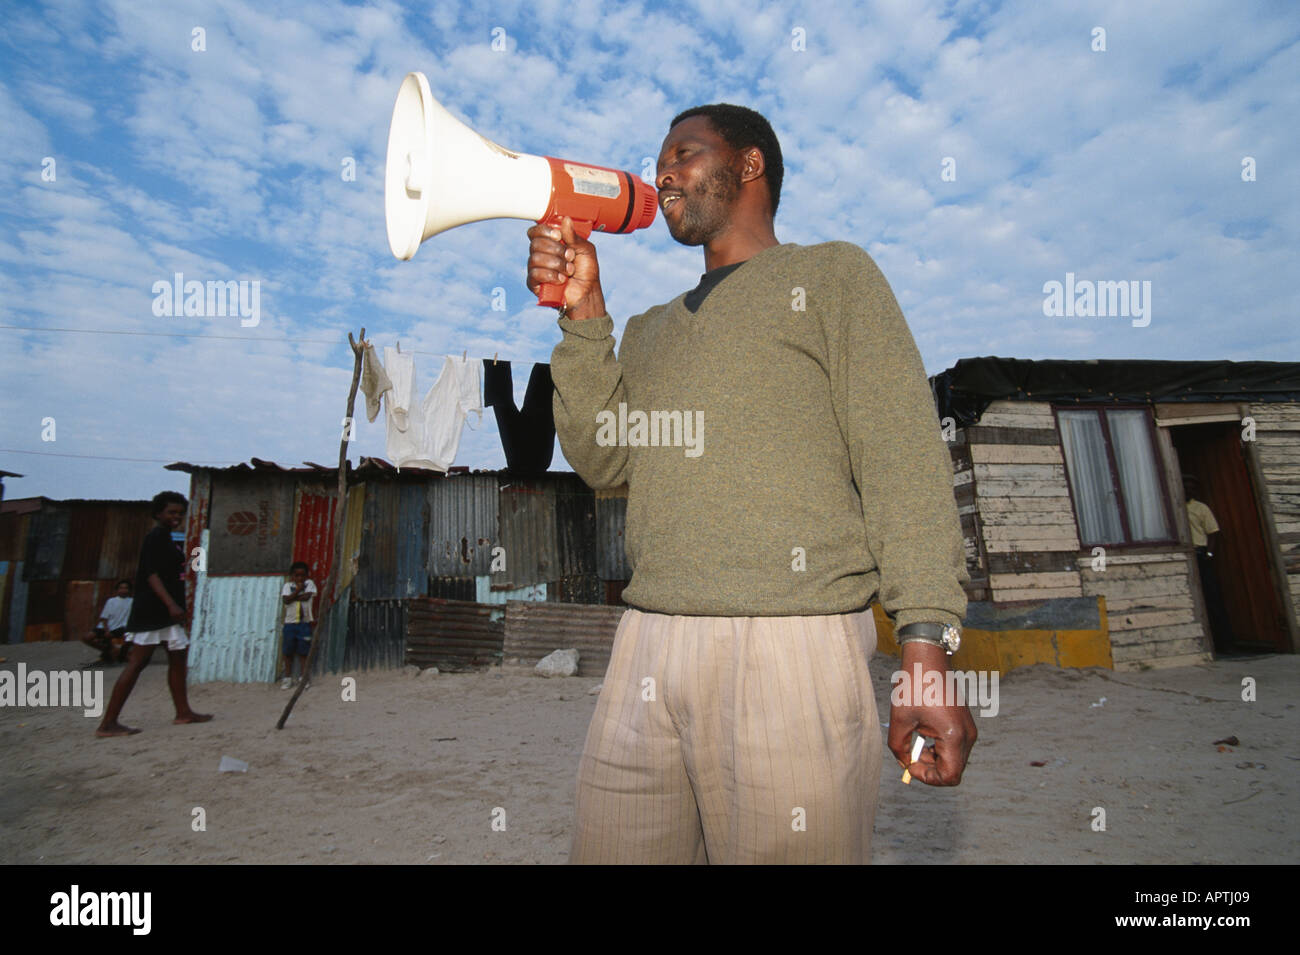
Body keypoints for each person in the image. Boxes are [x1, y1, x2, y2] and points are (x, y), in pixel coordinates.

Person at [528, 104, 976, 864]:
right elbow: (603, 459)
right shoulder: (650, 329)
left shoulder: (833, 276)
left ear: (751, 165)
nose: (664, 170)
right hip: (646, 644)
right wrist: (583, 315)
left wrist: (925, 648)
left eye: (686, 152)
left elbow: (902, 462)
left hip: (791, 644)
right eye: (660, 158)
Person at [96, 491, 212, 737]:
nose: (176, 517)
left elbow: (177, 571)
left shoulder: (168, 538)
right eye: (171, 512)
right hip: (154, 609)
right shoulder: (155, 537)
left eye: (180, 513)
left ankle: (183, 712)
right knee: (138, 662)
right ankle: (108, 723)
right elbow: (151, 574)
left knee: (178, 658)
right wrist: (171, 605)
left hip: (167, 611)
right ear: (158, 513)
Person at [1184, 474, 1234, 652]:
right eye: (1185, 487)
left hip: (1200, 553)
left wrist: (1209, 554)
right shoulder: (1174, 506)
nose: (1188, 490)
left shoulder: (1200, 508)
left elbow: (1213, 532)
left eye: (1192, 488)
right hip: (1185, 555)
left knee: (1211, 596)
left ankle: (1224, 642)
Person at [279, 561, 317, 688]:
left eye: (302, 575)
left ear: (306, 576)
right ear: (292, 576)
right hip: (290, 623)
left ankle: (303, 677)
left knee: (303, 652)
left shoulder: (310, 584)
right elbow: (285, 600)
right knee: (288, 651)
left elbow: (306, 597)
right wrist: (299, 591)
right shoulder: (287, 586)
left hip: (304, 623)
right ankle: (288, 678)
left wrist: (293, 596)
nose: (300, 578)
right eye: (297, 575)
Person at [82, 579, 133, 665]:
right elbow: (104, 618)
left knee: (127, 637)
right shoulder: (111, 601)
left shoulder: (132, 601)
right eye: (121, 588)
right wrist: (107, 630)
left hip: (121, 627)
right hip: (106, 627)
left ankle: (119, 654)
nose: (123, 590)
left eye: (126, 588)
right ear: (117, 590)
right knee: (87, 637)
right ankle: (110, 651)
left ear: (129, 590)